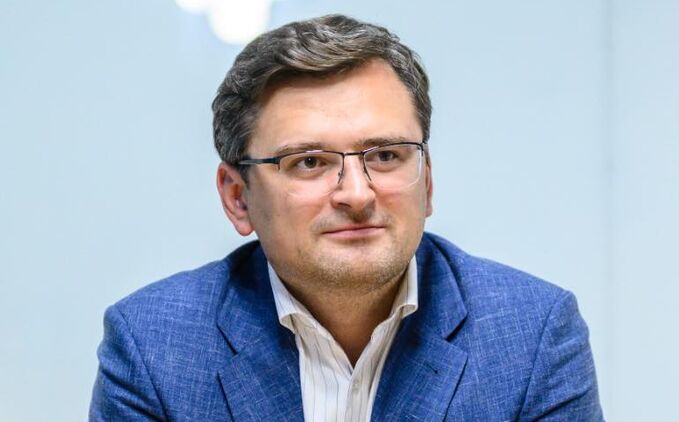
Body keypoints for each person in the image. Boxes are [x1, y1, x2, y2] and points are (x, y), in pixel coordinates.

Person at [89, 14, 603, 421]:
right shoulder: (155, 346)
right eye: (309, 162)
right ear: (238, 197)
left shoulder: (532, 336)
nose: (357, 194)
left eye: (386, 155)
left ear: (427, 182)